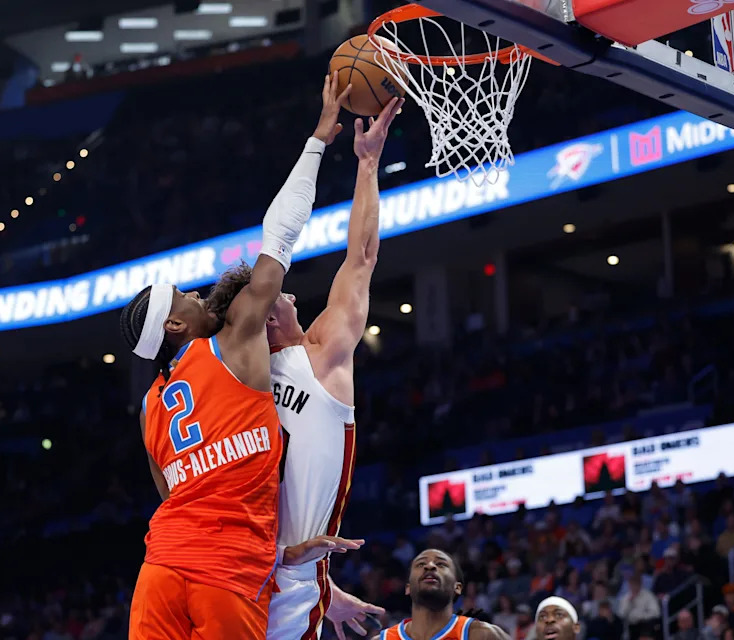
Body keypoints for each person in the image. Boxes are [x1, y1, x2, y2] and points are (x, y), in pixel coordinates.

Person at [122, 73, 361, 640]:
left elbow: (178, 496)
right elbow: (278, 238)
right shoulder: (229, 342)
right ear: (176, 325)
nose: (200, 294)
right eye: (188, 297)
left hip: (161, 566)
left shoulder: (150, 410)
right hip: (226, 572)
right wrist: (318, 140)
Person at [257, 92, 403, 640]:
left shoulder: (318, 355)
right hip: (267, 572)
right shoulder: (262, 367)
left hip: (284, 576)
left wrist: (368, 167)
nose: (283, 291)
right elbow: (360, 260)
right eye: (274, 293)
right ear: (269, 317)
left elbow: (361, 259)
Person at [373, 549, 510, 640]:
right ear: (408, 588)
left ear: (457, 587)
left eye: (441, 564)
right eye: (421, 564)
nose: (430, 566)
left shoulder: (482, 635)